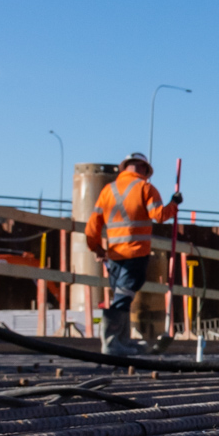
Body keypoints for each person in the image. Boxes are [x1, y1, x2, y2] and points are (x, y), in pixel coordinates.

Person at [85, 151, 181, 356]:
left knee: (122, 298)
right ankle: (111, 343)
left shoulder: (107, 191)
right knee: (123, 298)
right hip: (136, 254)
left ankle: (121, 341)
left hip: (115, 255)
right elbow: (160, 215)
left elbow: (92, 227)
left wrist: (97, 249)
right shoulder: (145, 188)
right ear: (145, 169)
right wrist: (174, 204)